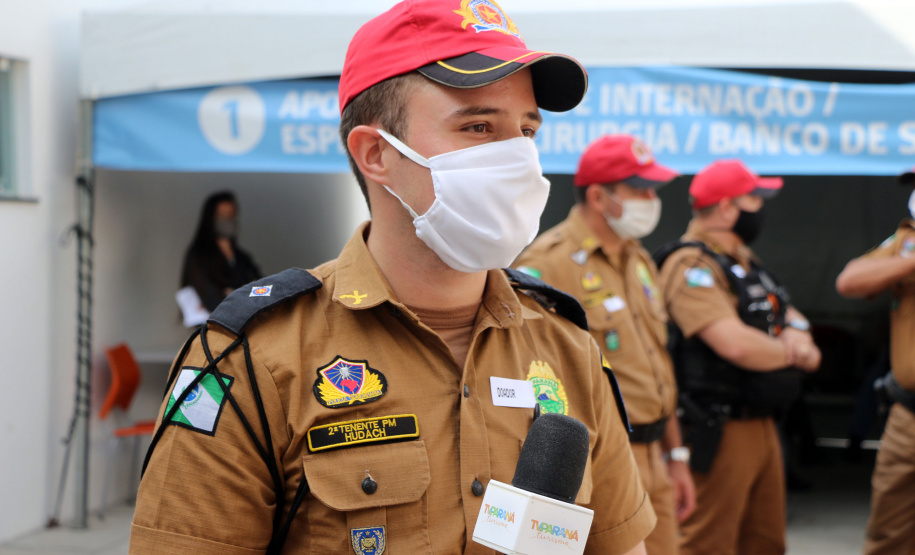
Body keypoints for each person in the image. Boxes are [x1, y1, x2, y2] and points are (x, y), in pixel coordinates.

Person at [130, 1, 655, 554]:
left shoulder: (568, 347)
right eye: (478, 126)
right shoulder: (254, 357)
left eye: (527, 130)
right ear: (376, 153)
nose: (518, 158)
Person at [514, 134, 696, 554]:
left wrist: (676, 456)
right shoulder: (546, 264)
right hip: (600, 462)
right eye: (641, 190)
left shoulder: (637, 258)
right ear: (598, 196)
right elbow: (533, 381)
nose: (652, 200)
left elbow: (656, 364)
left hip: (655, 455)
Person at [655, 159, 821, 555]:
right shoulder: (691, 264)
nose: (761, 207)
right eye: (755, 198)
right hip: (718, 425)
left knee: (764, 541)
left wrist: (799, 335)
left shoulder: (742, 259)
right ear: (727, 208)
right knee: (708, 542)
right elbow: (735, 344)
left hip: (761, 422)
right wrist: (796, 352)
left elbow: (790, 314)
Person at [836, 167, 915, 555]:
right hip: (908, 416)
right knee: (889, 534)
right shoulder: (907, 241)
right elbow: (850, 280)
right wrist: (909, 263)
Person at [180, 191, 262, 312]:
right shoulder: (198, 255)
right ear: (211, 217)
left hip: (245, 320)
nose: (228, 219)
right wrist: (240, 294)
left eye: (232, 214)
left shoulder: (243, 258)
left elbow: (261, 289)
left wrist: (230, 293)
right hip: (211, 322)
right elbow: (211, 299)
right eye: (223, 215)